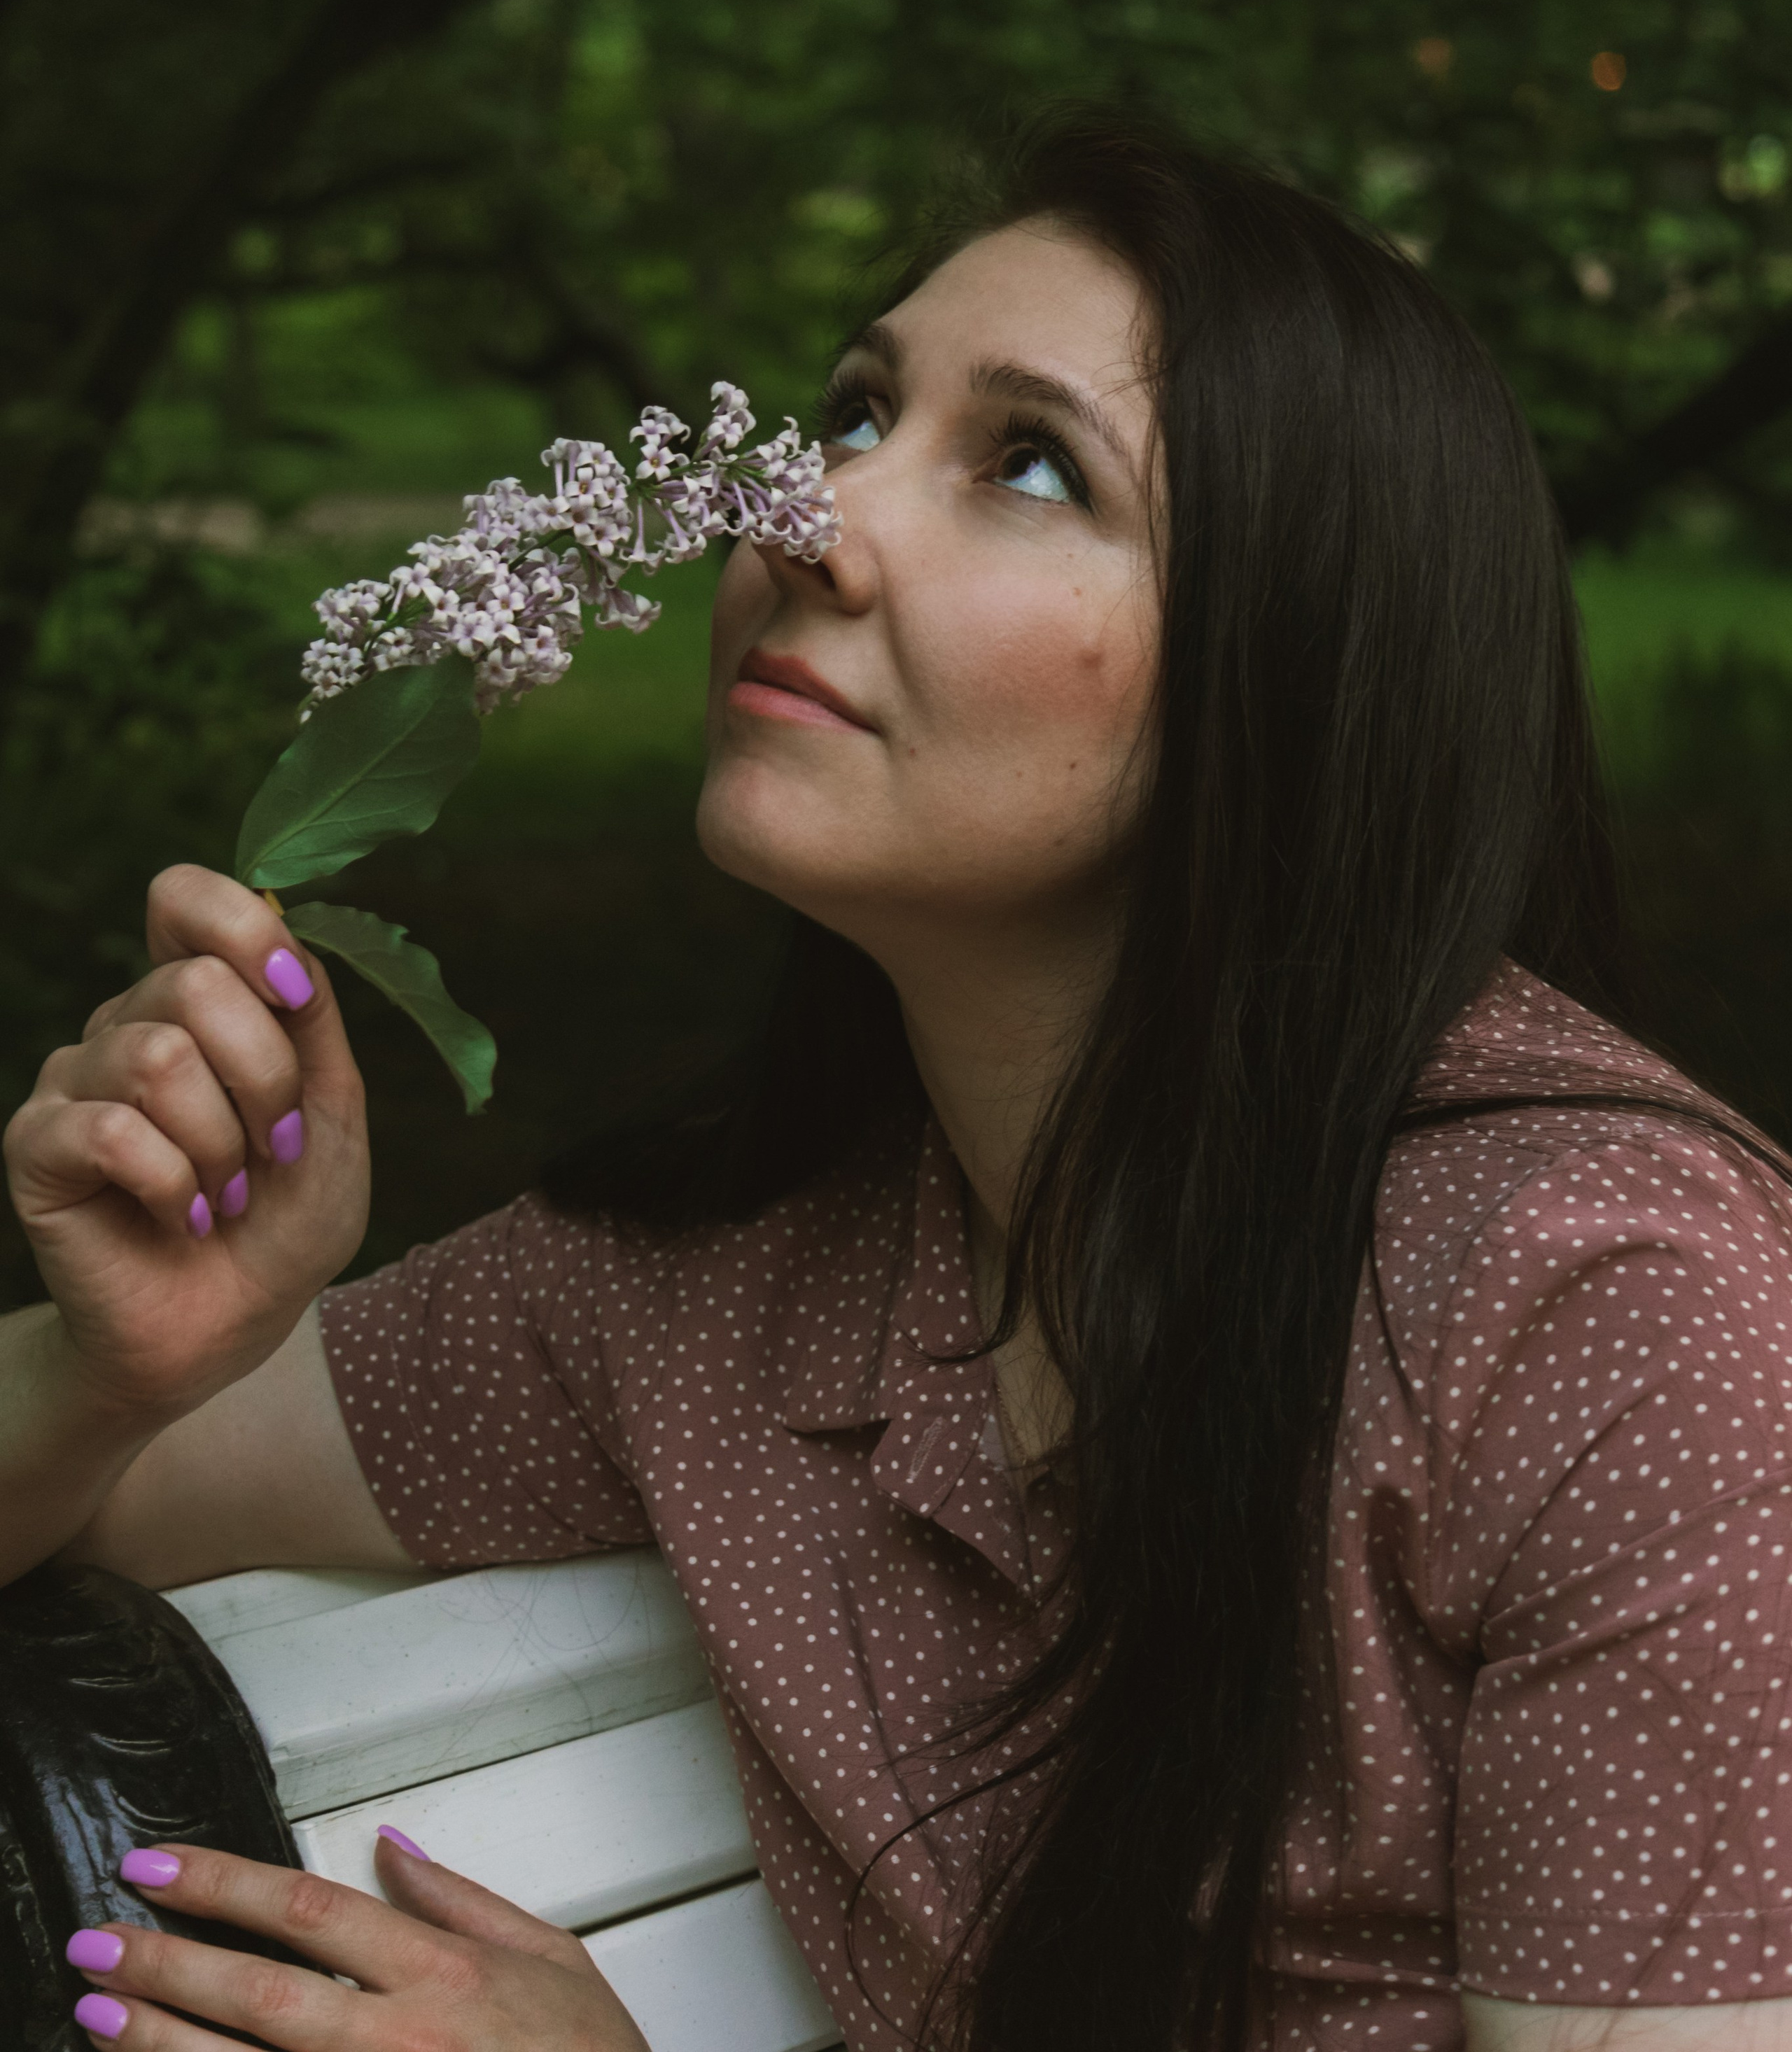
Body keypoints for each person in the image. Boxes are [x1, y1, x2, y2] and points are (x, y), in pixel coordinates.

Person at [5, 106, 1792, 2052]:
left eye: (1029, 465)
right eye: (853, 413)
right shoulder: (727, 1283)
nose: (809, 513)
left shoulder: (1607, 1312)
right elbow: (91, 1494)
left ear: (1290, 662)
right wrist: (122, 1363)